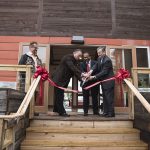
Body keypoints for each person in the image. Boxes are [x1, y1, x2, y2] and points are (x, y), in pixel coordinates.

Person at [52, 49, 87, 117]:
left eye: (80, 56)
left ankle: (56, 109)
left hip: (64, 80)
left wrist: (82, 79)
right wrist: (82, 74)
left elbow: (76, 72)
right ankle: (62, 112)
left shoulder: (76, 61)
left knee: (59, 95)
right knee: (59, 95)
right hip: (59, 79)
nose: (79, 57)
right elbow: (72, 68)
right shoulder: (67, 57)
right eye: (78, 55)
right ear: (74, 53)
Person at [89, 46, 115, 117]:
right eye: (98, 53)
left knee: (109, 98)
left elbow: (104, 72)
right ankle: (105, 112)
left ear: (104, 52)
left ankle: (111, 113)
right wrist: (90, 71)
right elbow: (96, 66)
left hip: (109, 82)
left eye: (100, 53)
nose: (98, 54)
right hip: (103, 82)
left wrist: (94, 76)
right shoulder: (99, 58)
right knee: (105, 97)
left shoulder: (107, 60)